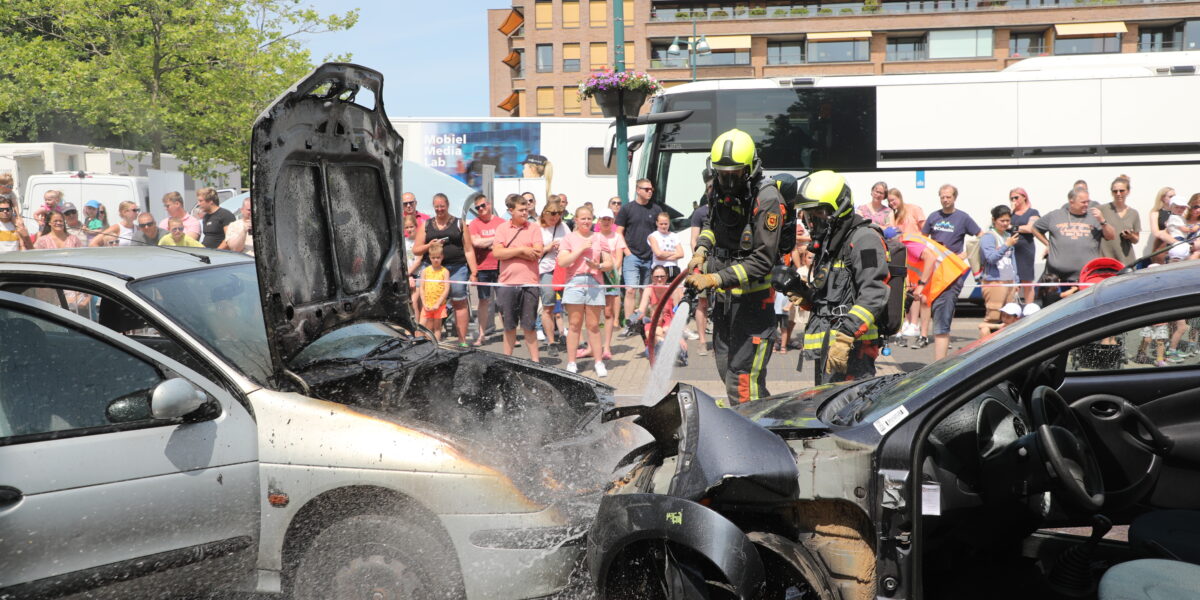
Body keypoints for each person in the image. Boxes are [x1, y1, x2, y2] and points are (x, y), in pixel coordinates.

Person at [685, 129, 784, 403]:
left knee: (743, 381)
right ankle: (762, 425)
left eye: (735, 174)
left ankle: (755, 439)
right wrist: (702, 250)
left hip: (753, 305)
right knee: (727, 372)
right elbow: (710, 224)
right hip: (725, 304)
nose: (728, 180)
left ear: (750, 168)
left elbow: (763, 260)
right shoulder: (717, 187)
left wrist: (715, 279)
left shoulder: (767, 199)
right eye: (722, 173)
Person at [780, 170, 889, 384]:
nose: (812, 221)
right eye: (809, 214)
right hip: (830, 346)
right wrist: (806, 296)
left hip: (853, 348)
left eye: (818, 213)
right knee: (826, 411)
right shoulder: (830, 243)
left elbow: (875, 292)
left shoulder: (864, 240)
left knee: (848, 412)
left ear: (838, 208)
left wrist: (846, 336)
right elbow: (834, 297)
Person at [922, 184, 981, 361]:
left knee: (943, 310)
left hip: (952, 272)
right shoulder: (933, 216)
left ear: (955, 197)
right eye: (942, 196)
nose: (945, 199)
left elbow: (981, 235)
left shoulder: (963, 218)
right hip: (934, 270)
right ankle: (940, 350)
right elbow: (923, 240)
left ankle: (940, 362)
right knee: (936, 307)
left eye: (948, 196)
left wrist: (965, 255)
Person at [411, 193, 478, 347]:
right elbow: (416, 250)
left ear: (447, 206)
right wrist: (430, 245)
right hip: (432, 269)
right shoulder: (426, 225)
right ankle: (428, 340)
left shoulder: (459, 223)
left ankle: (462, 341)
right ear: (433, 207)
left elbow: (468, 249)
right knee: (428, 303)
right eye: (437, 207)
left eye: (442, 206)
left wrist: (474, 272)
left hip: (457, 267)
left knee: (459, 301)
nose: (440, 209)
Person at [885, 229, 968, 350]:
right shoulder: (909, 239)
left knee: (940, 330)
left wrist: (921, 285)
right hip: (944, 279)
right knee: (940, 328)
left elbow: (930, 258)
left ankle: (941, 366)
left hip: (946, 279)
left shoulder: (907, 244)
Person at [557, 206, 612, 376]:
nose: (586, 221)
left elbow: (610, 263)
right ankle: (572, 362)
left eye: (589, 218)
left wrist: (599, 266)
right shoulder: (568, 238)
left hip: (594, 281)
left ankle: (598, 362)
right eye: (583, 218)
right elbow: (562, 262)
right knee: (574, 324)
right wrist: (580, 249)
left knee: (593, 325)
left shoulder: (599, 238)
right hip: (575, 281)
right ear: (576, 219)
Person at [492, 194, 543, 361]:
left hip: (530, 283)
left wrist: (510, 252)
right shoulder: (502, 229)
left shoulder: (534, 228)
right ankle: (508, 361)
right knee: (509, 326)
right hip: (507, 284)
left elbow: (537, 253)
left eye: (526, 209)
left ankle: (536, 362)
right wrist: (521, 250)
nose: (525, 212)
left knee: (529, 325)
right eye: (521, 210)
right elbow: (497, 253)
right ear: (510, 211)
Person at [1033, 188, 1115, 284]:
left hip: (1086, 277)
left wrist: (1102, 221)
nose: (1086, 205)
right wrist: (1048, 244)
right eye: (1083, 202)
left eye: (1087, 202)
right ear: (1071, 202)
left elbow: (1111, 236)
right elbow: (1035, 228)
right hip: (1057, 278)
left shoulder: (1094, 217)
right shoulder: (1055, 215)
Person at [617, 178, 662, 327]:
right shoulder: (627, 209)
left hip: (650, 257)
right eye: (646, 189)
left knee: (646, 292)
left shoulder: (656, 210)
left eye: (651, 189)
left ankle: (642, 322)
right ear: (638, 190)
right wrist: (627, 252)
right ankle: (628, 323)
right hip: (632, 256)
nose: (650, 192)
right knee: (630, 290)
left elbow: (661, 232)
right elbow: (619, 233)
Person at [467, 194, 504, 346]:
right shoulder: (474, 224)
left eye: (483, 205)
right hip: (483, 268)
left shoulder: (501, 222)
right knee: (483, 301)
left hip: (501, 267)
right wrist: (495, 240)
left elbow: (506, 241)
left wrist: (487, 242)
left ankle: (510, 334)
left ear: (489, 204)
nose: (481, 209)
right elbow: (476, 242)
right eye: (478, 207)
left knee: (503, 302)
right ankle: (481, 334)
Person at [978, 205, 1020, 337]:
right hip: (994, 281)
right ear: (994, 220)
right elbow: (991, 258)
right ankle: (984, 348)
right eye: (1002, 220)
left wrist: (1016, 280)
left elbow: (1012, 260)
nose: (1005, 223)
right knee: (993, 316)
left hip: (1009, 282)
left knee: (1009, 318)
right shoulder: (988, 237)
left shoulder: (1008, 236)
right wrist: (1006, 245)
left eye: (1008, 220)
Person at [637, 265, 688, 366]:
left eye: (662, 276)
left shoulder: (673, 289)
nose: (659, 279)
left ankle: (668, 347)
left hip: (669, 321)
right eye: (656, 277)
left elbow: (678, 314)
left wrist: (680, 336)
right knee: (651, 332)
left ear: (667, 276)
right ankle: (667, 346)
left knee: (665, 330)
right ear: (652, 277)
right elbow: (641, 310)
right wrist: (636, 315)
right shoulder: (649, 289)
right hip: (655, 321)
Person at [538, 197, 569, 347]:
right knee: (548, 304)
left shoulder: (563, 227)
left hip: (563, 269)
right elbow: (531, 252)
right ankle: (551, 341)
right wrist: (547, 248)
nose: (555, 218)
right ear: (544, 213)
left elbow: (571, 243)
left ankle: (566, 334)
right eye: (552, 215)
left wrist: (563, 248)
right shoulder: (536, 228)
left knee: (568, 304)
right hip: (546, 270)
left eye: (558, 216)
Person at [595, 206, 625, 361]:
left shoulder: (617, 237)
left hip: (611, 276)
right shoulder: (594, 236)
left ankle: (606, 347)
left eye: (609, 219)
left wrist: (607, 268)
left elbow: (619, 260)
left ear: (613, 221)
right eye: (603, 219)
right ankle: (594, 346)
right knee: (593, 313)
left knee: (608, 313)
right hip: (595, 276)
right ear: (599, 221)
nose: (606, 222)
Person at [1009, 187, 1041, 305]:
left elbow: (1030, 228)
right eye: (1011, 198)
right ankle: (1012, 309)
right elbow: (1002, 224)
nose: (1014, 200)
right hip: (1011, 249)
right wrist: (1010, 212)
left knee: (1027, 279)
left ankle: (1029, 307)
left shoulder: (1032, 212)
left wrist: (1012, 227)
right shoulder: (1010, 213)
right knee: (1011, 279)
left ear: (1024, 197)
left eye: (1016, 197)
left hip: (1025, 249)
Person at [1099, 175, 1140, 265]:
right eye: (1115, 191)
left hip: (1126, 261)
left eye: (1121, 191)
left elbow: (1136, 240)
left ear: (1128, 192)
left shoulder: (1133, 213)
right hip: (1107, 260)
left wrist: (1130, 236)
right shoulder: (1102, 209)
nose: (1118, 194)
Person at [420, 245, 451, 341]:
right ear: (430, 257)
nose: (436, 260)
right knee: (423, 327)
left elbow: (446, 289)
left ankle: (436, 344)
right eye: (433, 258)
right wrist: (424, 303)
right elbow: (422, 288)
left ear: (442, 257)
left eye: (438, 257)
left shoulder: (445, 271)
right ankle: (425, 344)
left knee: (437, 328)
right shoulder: (425, 271)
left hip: (439, 306)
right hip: (427, 304)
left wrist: (438, 303)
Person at [647, 211, 683, 279]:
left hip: (673, 268)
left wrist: (664, 257)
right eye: (661, 224)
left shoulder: (674, 236)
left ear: (669, 223)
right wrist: (674, 253)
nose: (663, 226)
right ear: (657, 223)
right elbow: (658, 254)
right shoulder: (652, 236)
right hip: (658, 269)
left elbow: (681, 254)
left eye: (666, 224)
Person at [1145, 187, 1176, 258]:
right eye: (1171, 196)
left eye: (1175, 196)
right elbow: (1156, 232)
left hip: (1177, 246)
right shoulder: (1155, 213)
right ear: (1162, 198)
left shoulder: (1180, 213)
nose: (1173, 199)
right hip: (1162, 247)